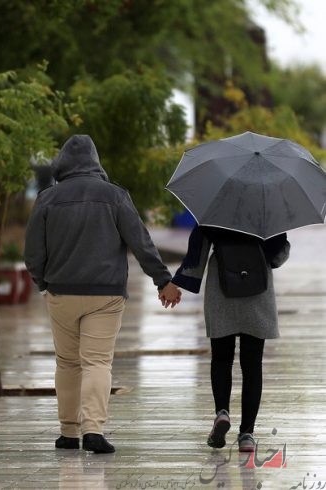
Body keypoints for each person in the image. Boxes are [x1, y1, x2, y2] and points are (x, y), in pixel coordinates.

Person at [24, 134, 181, 453]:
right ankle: (92, 430)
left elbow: (33, 251)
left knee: (67, 363)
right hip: (105, 294)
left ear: (62, 163)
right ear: (95, 162)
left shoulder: (48, 198)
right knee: (96, 362)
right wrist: (162, 280)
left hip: (62, 292)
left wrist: (44, 283)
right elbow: (141, 242)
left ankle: (68, 433)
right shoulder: (115, 196)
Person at [171, 225, 290, 452]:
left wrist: (177, 284)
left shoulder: (214, 211)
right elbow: (278, 256)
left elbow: (197, 252)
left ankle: (222, 412)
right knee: (252, 365)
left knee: (221, 359)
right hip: (258, 289)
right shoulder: (266, 213)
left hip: (221, 288)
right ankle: (246, 434)